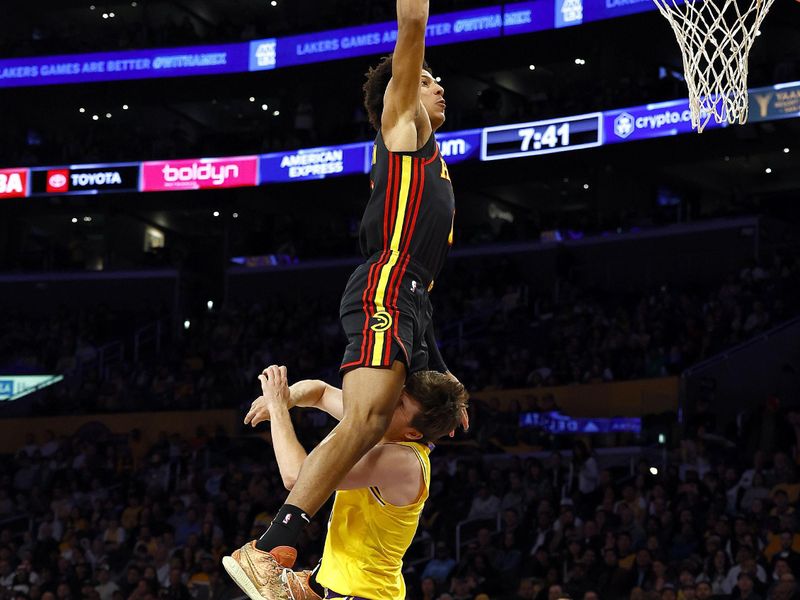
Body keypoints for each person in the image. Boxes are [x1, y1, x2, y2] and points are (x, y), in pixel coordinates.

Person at [224, 0, 466, 592]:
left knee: (419, 416)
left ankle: (307, 568)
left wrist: (301, 395)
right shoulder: (402, 128)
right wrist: (415, 21)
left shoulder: (431, 161)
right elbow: (411, 27)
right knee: (368, 418)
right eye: (427, 80)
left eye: (436, 82)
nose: (439, 90)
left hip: (414, 299)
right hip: (389, 279)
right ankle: (272, 546)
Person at [223, 365, 468, 600]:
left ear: (413, 434)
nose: (391, 400)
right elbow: (320, 392)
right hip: (338, 587)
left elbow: (297, 478)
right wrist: (288, 397)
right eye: (400, 394)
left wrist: (277, 408)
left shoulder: (403, 461)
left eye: (401, 404)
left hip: (365, 594)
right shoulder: (378, 424)